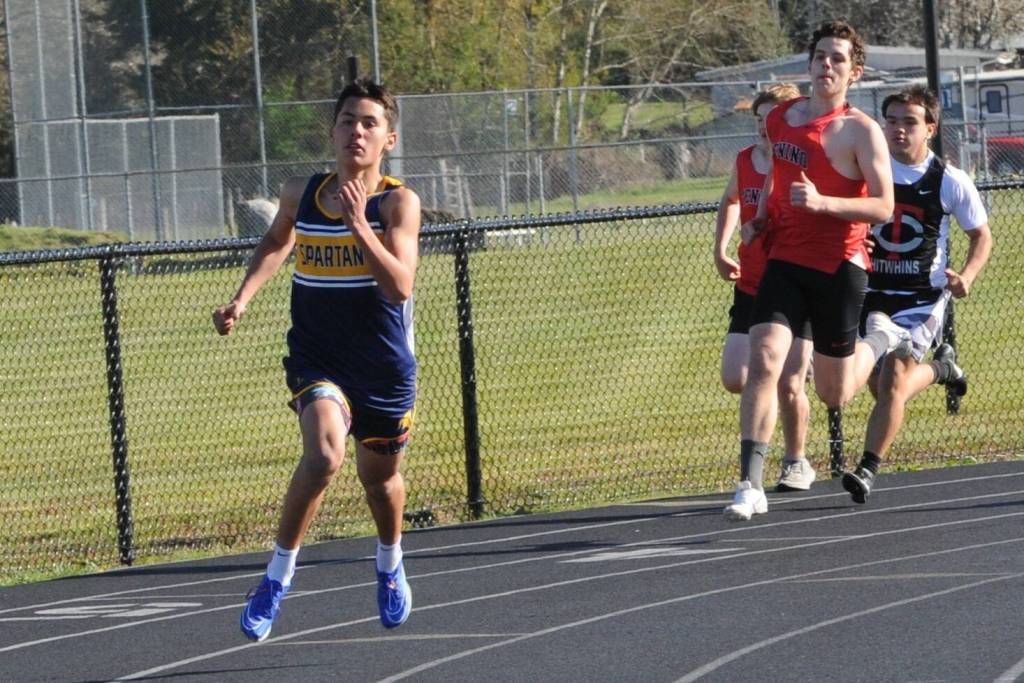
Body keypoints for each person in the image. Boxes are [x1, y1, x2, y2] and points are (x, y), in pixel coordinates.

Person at [213, 78, 421, 640]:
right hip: (318, 357)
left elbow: (400, 286)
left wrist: (359, 225)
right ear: (331, 131)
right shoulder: (300, 192)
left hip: (382, 368)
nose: (357, 130)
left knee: (381, 483)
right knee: (325, 456)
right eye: (348, 120)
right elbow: (280, 241)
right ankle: (277, 577)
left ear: (389, 139)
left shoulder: (397, 202)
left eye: (369, 123)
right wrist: (244, 296)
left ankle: (389, 562)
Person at [725, 19, 902, 521]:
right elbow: (778, 178)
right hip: (785, 259)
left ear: (855, 72)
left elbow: (884, 207)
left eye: (837, 59)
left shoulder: (861, 132)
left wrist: (825, 203)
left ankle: (880, 340)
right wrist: (759, 219)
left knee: (833, 391)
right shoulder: (781, 117)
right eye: (820, 56)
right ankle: (749, 483)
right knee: (764, 360)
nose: (827, 65)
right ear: (808, 64)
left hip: (840, 267)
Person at [842, 85, 993, 503]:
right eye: (890, 121)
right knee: (880, 387)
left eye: (909, 122)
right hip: (868, 291)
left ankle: (867, 468)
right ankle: (943, 371)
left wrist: (967, 275)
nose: (898, 130)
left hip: (920, 299)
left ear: (930, 127)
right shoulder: (867, 172)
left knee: (891, 386)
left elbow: (981, 236)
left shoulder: (948, 180)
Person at [714, 82, 817, 493]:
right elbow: (731, 200)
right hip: (754, 284)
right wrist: (721, 249)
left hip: (796, 279)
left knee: (790, 384)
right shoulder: (744, 160)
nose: (763, 127)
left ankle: (796, 460)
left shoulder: (804, 162)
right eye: (759, 120)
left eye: (771, 118)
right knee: (737, 376)